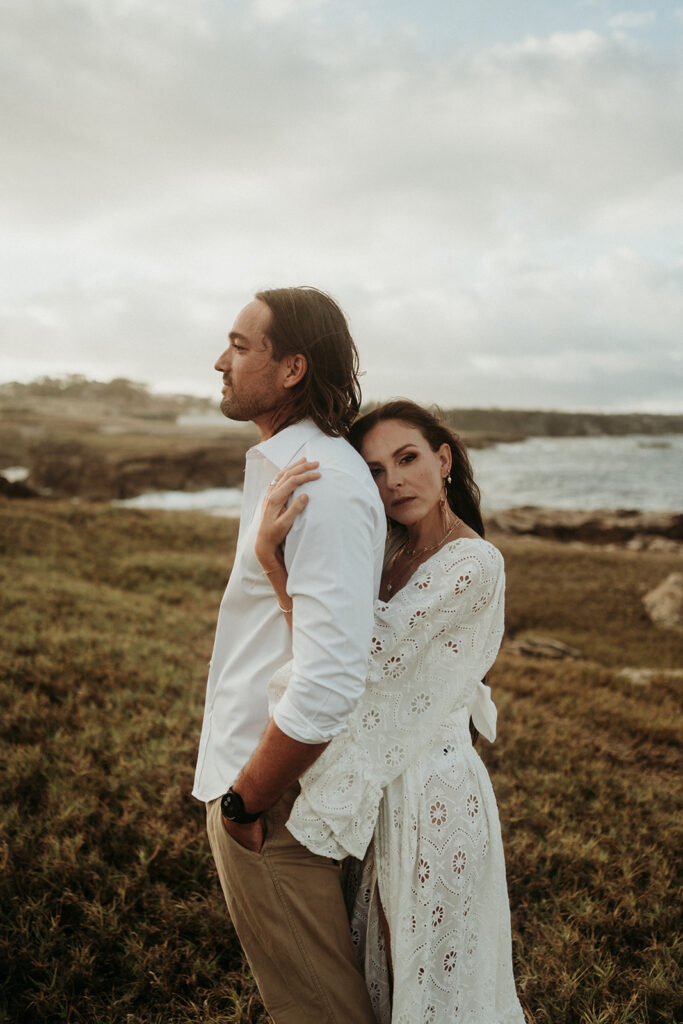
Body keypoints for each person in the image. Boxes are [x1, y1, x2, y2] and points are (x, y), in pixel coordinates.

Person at [256, 400, 526, 1023]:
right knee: (371, 963)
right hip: (377, 780)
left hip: (432, 793)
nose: (393, 481)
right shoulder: (387, 548)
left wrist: (276, 565)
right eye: (374, 471)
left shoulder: (474, 562)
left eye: (407, 459)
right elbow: (337, 649)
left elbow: (360, 659)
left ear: (444, 459)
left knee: (425, 973)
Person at [192, 287, 386, 1023]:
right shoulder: (295, 468)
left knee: (317, 1008)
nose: (220, 360)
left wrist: (248, 799)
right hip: (260, 781)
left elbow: (333, 675)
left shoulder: (323, 484)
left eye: (241, 347)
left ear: (292, 368)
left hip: (273, 799)